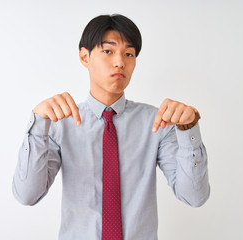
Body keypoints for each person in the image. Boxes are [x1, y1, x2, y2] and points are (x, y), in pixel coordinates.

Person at [12, 14, 210, 240]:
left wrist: (188, 131)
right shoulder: (59, 123)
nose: (120, 62)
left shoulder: (157, 123)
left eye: (129, 54)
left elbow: (195, 196)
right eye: (108, 51)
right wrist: (38, 126)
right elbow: (27, 195)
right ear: (84, 57)